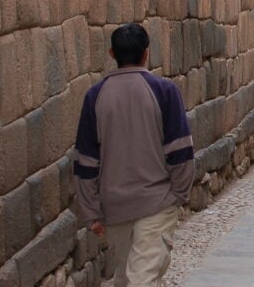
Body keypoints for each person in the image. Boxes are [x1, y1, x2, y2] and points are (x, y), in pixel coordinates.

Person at [74, 23, 194, 287]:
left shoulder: (94, 97)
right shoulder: (164, 91)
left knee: (137, 278)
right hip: (157, 201)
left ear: (111, 54)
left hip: (115, 206)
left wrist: (91, 211)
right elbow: (181, 150)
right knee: (135, 278)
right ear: (146, 54)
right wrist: (179, 194)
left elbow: (86, 160)